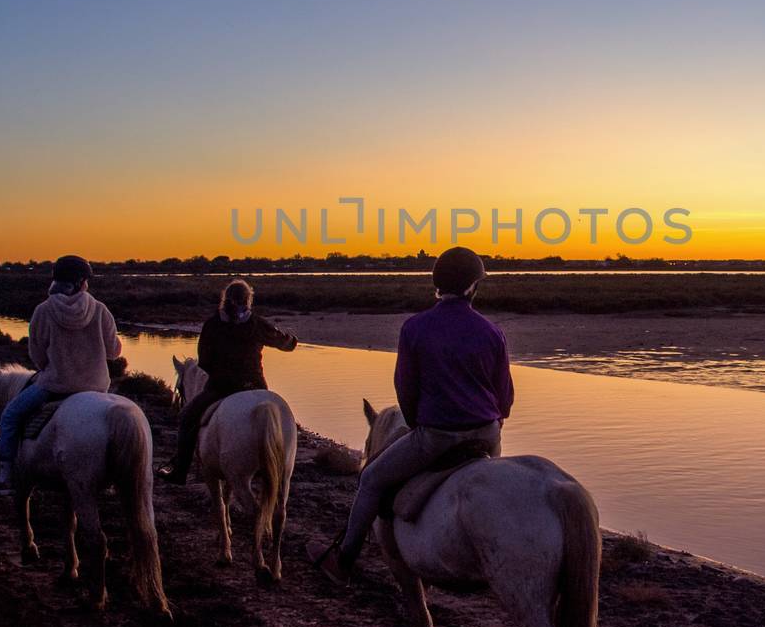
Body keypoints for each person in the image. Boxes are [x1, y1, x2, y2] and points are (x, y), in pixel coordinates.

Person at [310, 246, 512, 585]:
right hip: (488, 435)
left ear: (437, 285)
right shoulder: (492, 332)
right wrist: (495, 421)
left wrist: (419, 422)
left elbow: (405, 387)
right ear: (473, 287)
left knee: (371, 479)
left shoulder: (415, 327)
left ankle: (344, 561)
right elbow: (503, 394)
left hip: (437, 435)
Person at [0, 255, 124, 496]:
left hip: (55, 386)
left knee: (9, 416)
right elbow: (114, 352)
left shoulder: (43, 310)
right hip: (96, 386)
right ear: (82, 282)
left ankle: (5, 474)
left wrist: (51, 368)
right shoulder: (101, 310)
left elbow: (37, 353)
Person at [158, 279, 299, 484]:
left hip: (222, 388)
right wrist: (291, 339)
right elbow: (287, 344)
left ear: (225, 299)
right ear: (248, 301)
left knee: (188, 417)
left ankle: (180, 470)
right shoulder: (257, 323)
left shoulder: (213, 325)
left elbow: (204, 363)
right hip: (256, 386)